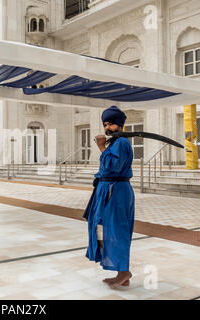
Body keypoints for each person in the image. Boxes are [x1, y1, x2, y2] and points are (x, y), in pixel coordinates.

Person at [83, 105, 135, 289]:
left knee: (116, 231)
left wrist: (101, 146)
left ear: (119, 125)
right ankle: (121, 272)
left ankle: (124, 271)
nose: (108, 127)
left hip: (116, 192)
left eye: (111, 124)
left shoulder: (121, 143)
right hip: (107, 191)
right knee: (103, 229)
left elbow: (113, 165)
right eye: (105, 124)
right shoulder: (116, 142)